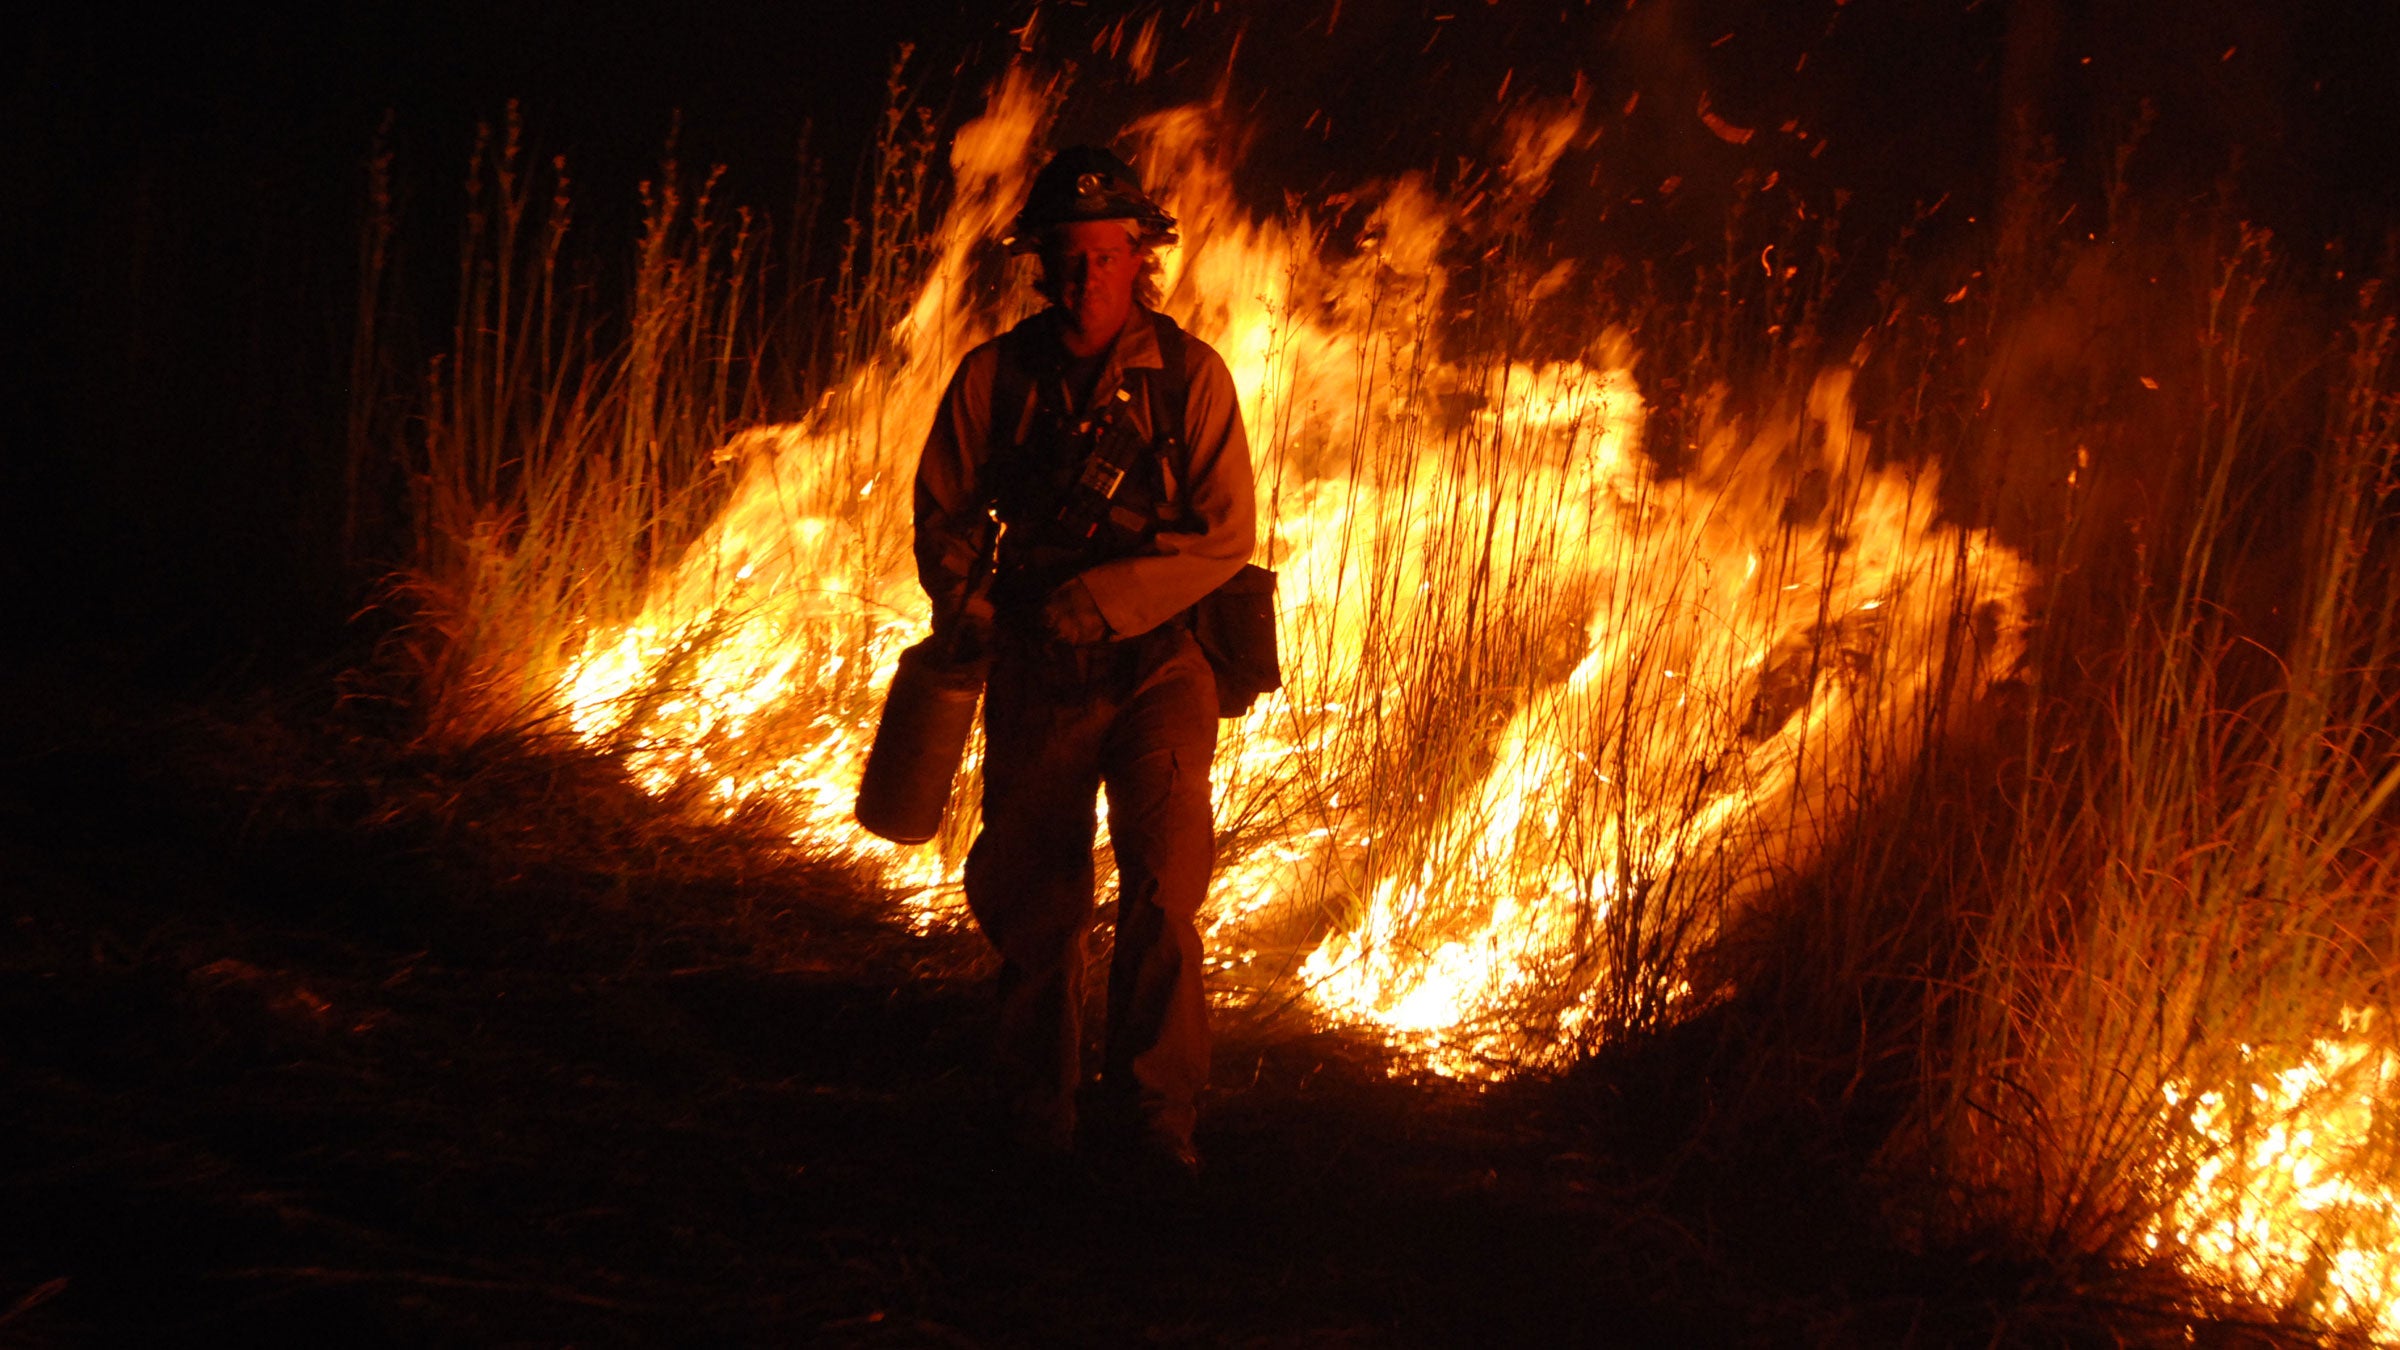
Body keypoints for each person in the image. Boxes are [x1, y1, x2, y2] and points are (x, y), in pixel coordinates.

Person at [911, 146, 1256, 1178]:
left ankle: (1156, 1123)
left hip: (1159, 662)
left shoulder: (1191, 380)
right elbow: (945, 509)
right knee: (1034, 891)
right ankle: (1032, 1116)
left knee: (1163, 887)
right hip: (1038, 667)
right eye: (1066, 257)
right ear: (1040, 266)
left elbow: (1224, 536)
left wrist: (1101, 600)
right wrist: (965, 589)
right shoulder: (995, 378)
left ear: (1139, 259)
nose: (1085, 277)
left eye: (1105, 256)